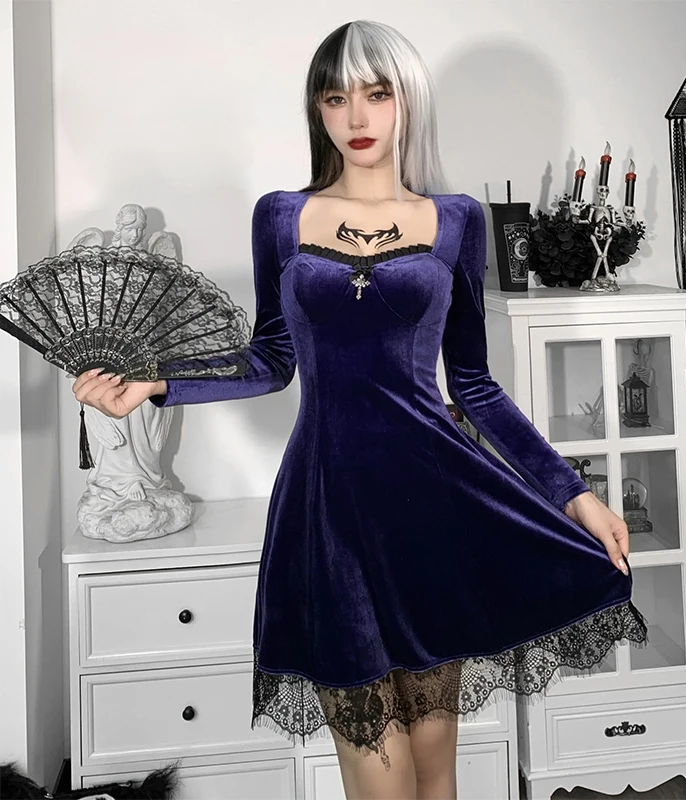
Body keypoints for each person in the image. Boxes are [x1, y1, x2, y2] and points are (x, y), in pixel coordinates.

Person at [72, 19, 648, 800]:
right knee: (379, 778)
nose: (357, 116)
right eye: (336, 97)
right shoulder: (281, 216)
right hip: (329, 513)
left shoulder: (457, 219)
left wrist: (575, 496)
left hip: (433, 508)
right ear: (317, 110)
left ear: (407, 101)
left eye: (376, 94)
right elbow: (269, 359)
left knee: (435, 772)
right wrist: (156, 381)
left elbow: (474, 386)